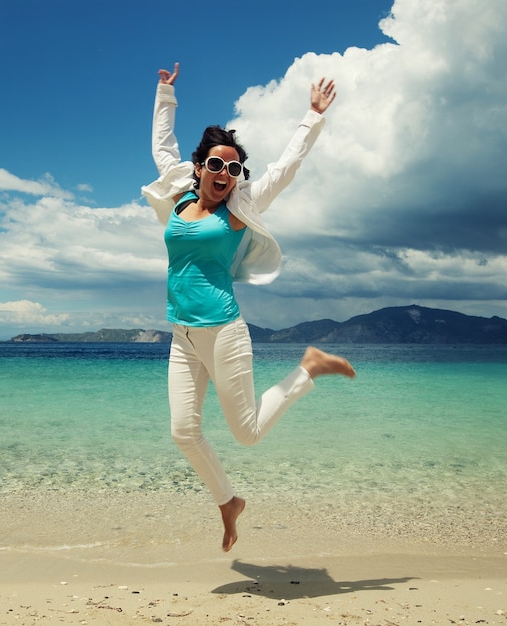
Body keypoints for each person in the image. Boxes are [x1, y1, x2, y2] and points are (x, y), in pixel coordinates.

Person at [142, 63, 355, 552]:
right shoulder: (178, 198)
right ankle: (228, 503)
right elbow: (162, 148)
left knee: (249, 433)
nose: (223, 174)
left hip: (224, 332)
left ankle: (308, 368)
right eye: (215, 165)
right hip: (182, 336)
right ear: (200, 168)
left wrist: (312, 117)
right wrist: (165, 93)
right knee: (182, 432)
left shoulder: (241, 207)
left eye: (233, 168)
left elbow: (285, 166)